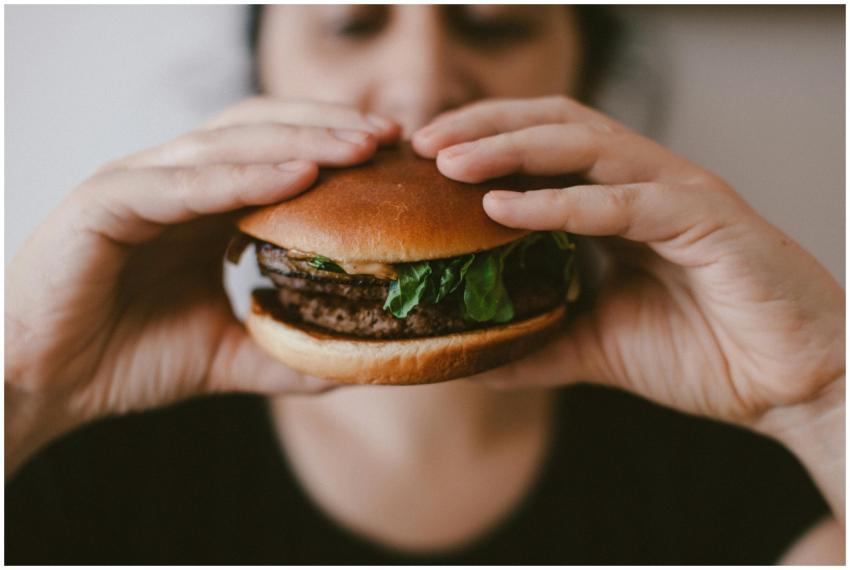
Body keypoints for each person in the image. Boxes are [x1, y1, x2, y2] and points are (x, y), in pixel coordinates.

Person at [5, 5, 843, 564]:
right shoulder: (79, 451)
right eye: (351, 23)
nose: (421, 83)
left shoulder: (735, 451)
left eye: (496, 24)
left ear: (583, 79)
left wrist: (827, 398)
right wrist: (21, 388)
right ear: (262, 75)